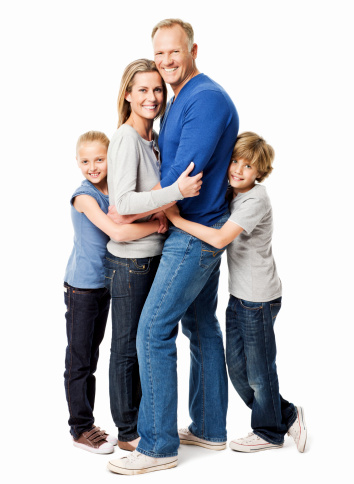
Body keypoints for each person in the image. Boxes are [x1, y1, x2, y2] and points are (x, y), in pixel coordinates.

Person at [107, 19, 239, 475]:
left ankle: (159, 445)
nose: (166, 62)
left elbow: (185, 174)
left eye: (173, 52)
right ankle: (208, 427)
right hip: (192, 227)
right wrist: (166, 202)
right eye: (159, 53)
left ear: (193, 49)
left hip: (191, 233)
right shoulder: (181, 98)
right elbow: (171, 179)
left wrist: (168, 209)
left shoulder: (204, 98)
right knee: (200, 324)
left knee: (151, 330)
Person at [163, 131, 307, 454]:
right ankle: (287, 415)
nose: (239, 170)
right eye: (235, 162)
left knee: (259, 370)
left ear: (260, 172)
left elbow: (219, 238)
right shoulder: (232, 192)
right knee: (239, 370)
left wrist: (174, 218)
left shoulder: (256, 199)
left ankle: (270, 431)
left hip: (259, 298)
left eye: (248, 166)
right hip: (239, 295)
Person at [104, 59, 202, 451]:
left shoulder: (153, 137)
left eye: (158, 89)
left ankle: (149, 422)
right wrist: (175, 194)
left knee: (151, 343)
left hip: (152, 255)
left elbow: (136, 203)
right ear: (127, 93)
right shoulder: (126, 138)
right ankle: (129, 432)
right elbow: (124, 204)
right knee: (128, 347)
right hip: (129, 263)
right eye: (143, 90)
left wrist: (158, 210)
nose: (152, 97)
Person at [64, 130, 168, 454]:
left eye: (99, 159)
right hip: (82, 288)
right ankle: (80, 428)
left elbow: (135, 207)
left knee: (98, 354)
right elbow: (118, 231)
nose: (92, 166)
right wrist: (157, 225)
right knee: (81, 360)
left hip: (107, 284)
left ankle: (95, 423)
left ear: (110, 159)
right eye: (85, 161)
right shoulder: (84, 196)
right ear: (77, 163)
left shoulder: (116, 191)